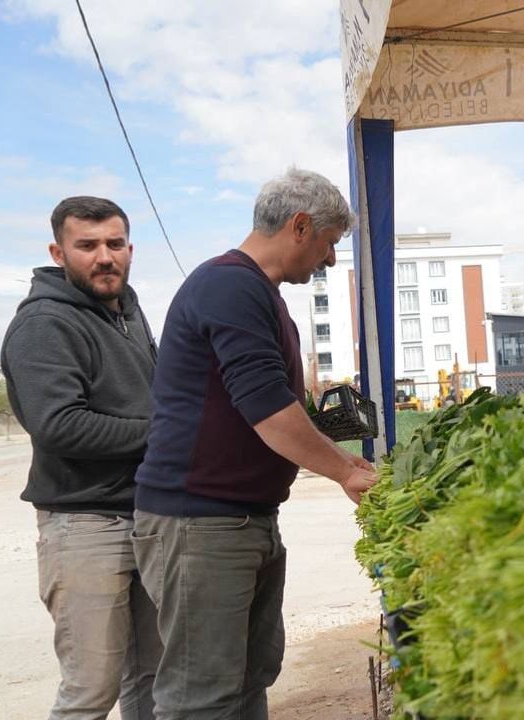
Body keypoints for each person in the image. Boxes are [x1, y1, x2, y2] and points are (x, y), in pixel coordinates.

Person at [131, 168, 377, 718]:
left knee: (246, 682)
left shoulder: (257, 293)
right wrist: (346, 471)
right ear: (299, 225)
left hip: (241, 521)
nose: (331, 260)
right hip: (201, 525)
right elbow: (267, 409)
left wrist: (337, 447)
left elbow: (268, 404)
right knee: (202, 698)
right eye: (330, 243)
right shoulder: (229, 285)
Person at [0, 196, 161, 719]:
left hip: (145, 516)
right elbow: (59, 425)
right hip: (84, 524)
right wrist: (166, 432)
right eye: (87, 245)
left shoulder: (129, 311)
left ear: (130, 248)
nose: (104, 256)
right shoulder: (44, 324)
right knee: (91, 688)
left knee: (152, 679)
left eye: (114, 244)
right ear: (59, 250)